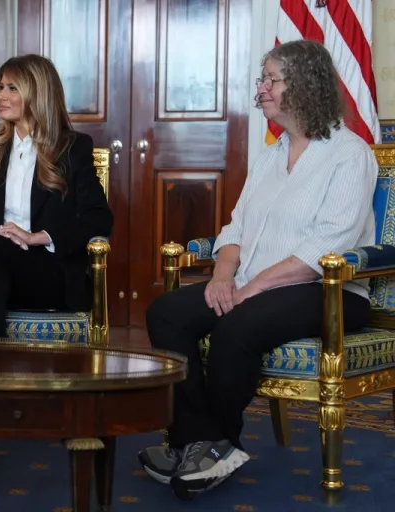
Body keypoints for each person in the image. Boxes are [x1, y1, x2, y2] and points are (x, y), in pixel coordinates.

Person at [137, 39, 376, 500]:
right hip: (254, 284)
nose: (261, 89)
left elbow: (327, 245)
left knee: (237, 325)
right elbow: (236, 228)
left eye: (271, 79)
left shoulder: (350, 154)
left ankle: (214, 443)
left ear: (305, 85)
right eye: (261, 79)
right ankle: (198, 443)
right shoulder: (270, 155)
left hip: (329, 292)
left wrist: (250, 291)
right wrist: (224, 276)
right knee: (166, 312)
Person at [0, 54, 113, 478]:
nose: (2, 95)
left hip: (47, 272)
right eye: (0, 86)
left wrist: (41, 237)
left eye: (13, 87)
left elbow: (99, 220)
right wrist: (1, 238)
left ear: (38, 92)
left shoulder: (73, 148)